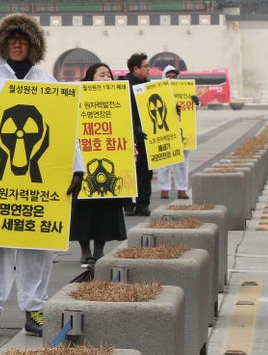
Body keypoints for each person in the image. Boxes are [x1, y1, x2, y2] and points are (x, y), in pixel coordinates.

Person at [0, 14, 84, 337]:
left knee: (35, 244)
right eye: (11, 40)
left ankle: (34, 307)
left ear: (33, 45)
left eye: (23, 40)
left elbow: (65, 132)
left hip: (35, 186)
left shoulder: (47, 83)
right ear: (2, 44)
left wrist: (77, 167)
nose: (17, 44)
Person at [69, 62, 127, 267]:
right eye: (101, 75)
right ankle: (85, 251)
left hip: (111, 161)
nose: (106, 79)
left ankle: (100, 251)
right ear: (90, 77)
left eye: (109, 75)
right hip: (83, 163)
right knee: (83, 209)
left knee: (105, 208)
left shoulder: (119, 98)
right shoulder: (77, 97)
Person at [157, 64, 197, 199]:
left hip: (183, 131)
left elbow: (191, 111)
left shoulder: (185, 92)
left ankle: (182, 189)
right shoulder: (158, 91)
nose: (172, 79)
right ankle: (164, 188)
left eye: (174, 77)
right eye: (169, 77)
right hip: (165, 129)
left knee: (182, 163)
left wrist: (196, 103)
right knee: (165, 162)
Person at [122, 52, 152, 216]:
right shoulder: (123, 86)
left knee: (145, 171)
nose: (149, 70)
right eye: (146, 66)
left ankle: (142, 204)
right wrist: (134, 129)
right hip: (129, 134)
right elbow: (122, 112)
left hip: (145, 135)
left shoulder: (148, 86)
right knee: (127, 169)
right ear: (135, 68)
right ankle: (127, 204)